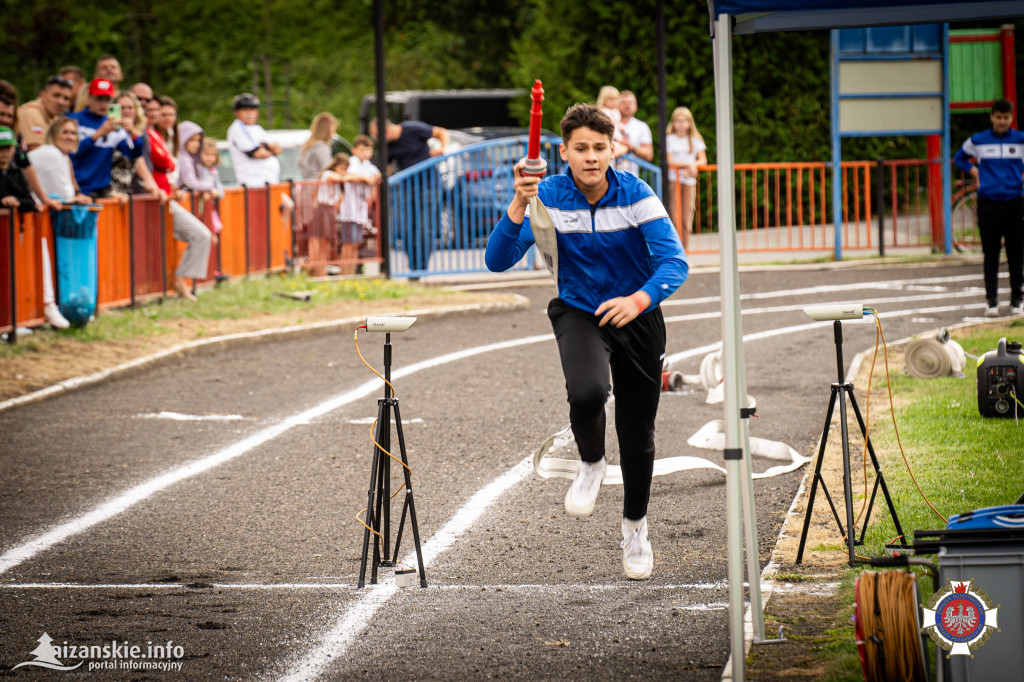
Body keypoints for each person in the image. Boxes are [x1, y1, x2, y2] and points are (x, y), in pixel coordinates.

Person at [485, 104, 687, 580]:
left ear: (613, 149)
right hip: (579, 310)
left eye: (600, 148)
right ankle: (591, 461)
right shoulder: (549, 196)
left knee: (638, 437)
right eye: (581, 148)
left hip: (638, 316)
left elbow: (674, 263)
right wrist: (518, 203)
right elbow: (498, 261)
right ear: (565, 152)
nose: (592, 157)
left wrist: (638, 300)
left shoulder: (637, 194)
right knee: (588, 391)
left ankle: (635, 527)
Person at [954, 99, 1024, 317]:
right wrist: (974, 172)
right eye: (998, 117)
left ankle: (1017, 300)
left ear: (1011, 118)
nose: (1002, 121)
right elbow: (960, 157)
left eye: (1006, 117)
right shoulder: (978, 140)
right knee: (990, 253)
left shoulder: (1021, 140)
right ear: (991, 117)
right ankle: (991, 301)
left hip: (1014, 201)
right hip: (988, 202)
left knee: (1016, 253)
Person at [27, 117, 94, 329]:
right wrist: (75, 198)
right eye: (64, 132)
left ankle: (60, 306)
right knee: (44, 259)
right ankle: (46, 307)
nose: (69, 137)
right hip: (29, 215)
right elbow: (66, 194)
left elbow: (69, 192)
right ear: (53, 134)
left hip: (38, 215)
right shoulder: (51, 153)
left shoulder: (62, 156)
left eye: (73, 133)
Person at [144, 102, 211, 301]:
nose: (165, 118)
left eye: (170, 114)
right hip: (154, 200)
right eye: (160, 113)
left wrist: (173, 189)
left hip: (167, 198)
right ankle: (177, 281)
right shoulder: (148, 136)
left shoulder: (164, 138)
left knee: (202, 235)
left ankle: (180, 280)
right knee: (201, 235)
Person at [368, 117, 449, 273]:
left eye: (377, 136)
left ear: (386, 130)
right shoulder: (387, 146)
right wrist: (375, 191)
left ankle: (420, 267)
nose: (376, 140)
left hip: (429, 185)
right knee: (406, 229)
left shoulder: (412, 128)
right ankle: (413, 266)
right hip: (407, 188)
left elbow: (441, 132)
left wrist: (442, 148)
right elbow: (387, 171)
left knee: (424, 227)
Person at [67, 78, 144, 198]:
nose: (103, 104)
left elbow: (133, 153)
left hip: (101, 193)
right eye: (99, 98)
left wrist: (134, 134)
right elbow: (71, 153)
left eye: (107, 99)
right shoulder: (73, 120)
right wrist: (99, 134)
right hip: (75, 191)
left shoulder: (114, 126)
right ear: (89, 98)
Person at [0, 80, 62, 212]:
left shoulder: (15, 136)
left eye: (9, 116)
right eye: (2, 114)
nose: (5, 119)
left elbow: (25, 164)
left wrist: (43, 199)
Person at [665, 107, 707, 252]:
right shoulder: (669, 139)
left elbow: (703, 160)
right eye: (678, 120)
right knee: (674, 217)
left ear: (690, 123)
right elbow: (669, 162)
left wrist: (693, 164)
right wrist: (688, 164)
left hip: (689, 182)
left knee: (686, 219)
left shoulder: (695, 139)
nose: (681, 124)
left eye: (684, 121)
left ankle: (685, 252)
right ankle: (674, 251)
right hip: (673, 181)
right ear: (673, 123)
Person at [338, 135, 381, 274]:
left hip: (360, 211)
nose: (365, 153)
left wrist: (371, 182)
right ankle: (344, 272)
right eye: (362, 150)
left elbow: (377, 175)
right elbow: (347, 176)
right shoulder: (352, 163)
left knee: (356, 243)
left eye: (368, 150)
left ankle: (350, 272)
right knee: (348, 243)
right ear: (354, 150)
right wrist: (365, 179)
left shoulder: (368, 165)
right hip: (350, 211)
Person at [311, 153, 352, 276]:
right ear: (335, 166)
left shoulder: (338, 179)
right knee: (321, 241)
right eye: (341, 169)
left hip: (330, 210)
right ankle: (318, 271)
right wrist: (349, 176)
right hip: (322, 208)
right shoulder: (327, 174)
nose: (343, 172)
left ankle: (321, 270)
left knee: (327, 242)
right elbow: (335, 178)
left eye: (345, 169)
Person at [17, 75, 73, 151]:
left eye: (66, 98)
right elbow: (37, 151)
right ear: (43, 95)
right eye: (56, 95)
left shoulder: (55, 118)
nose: (61, 102)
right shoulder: (30, 113)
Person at [615, 90, 654, 176]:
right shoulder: (609, 123)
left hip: (631, 176)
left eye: (630, 102)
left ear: (636, 106)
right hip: (610, 174)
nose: (627, 105)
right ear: (616, 105)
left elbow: (649, 155)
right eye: (623, 102)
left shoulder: (642, 126)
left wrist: (631, 147)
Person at [298, 112, 337, 180]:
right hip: (318, 187)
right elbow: (327, 171)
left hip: (305, 186)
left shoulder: (306, 147)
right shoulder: (322, 148)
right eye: (333, 130)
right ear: (327, 130)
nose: (334, 133)